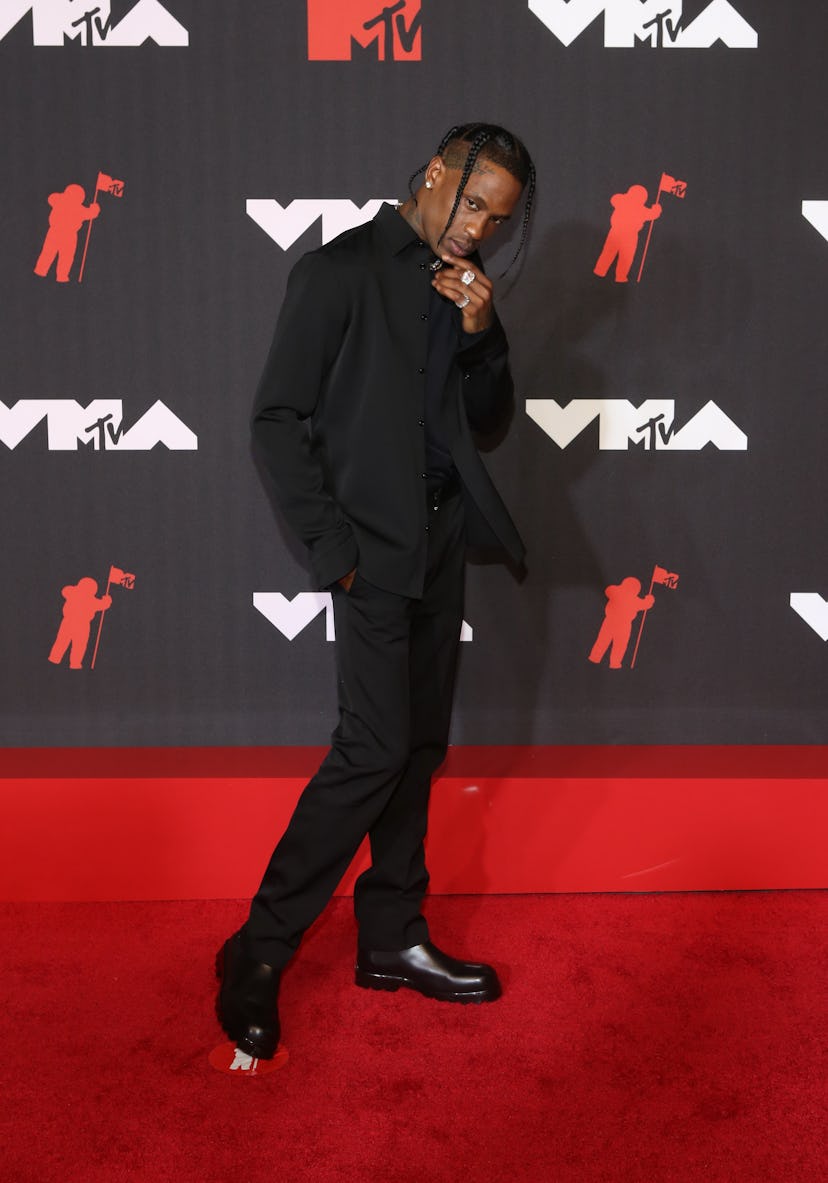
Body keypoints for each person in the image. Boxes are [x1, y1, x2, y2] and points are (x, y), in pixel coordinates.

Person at [217, 123, 536, 1059]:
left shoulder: (466, 291)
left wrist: (482, 336)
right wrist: (334, 549)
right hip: (370, 554)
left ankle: (393, 935)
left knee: (420, 744)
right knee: (372, 749)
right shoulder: (339, 271)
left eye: (498, 220)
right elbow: (275, 419)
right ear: (435, 172)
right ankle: (258, 950)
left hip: (441, 542)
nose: (478, 228)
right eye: (471, 202)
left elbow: (489, 425)